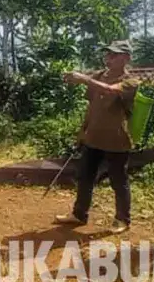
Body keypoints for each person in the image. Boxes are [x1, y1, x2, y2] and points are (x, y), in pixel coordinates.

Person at [54, 40, 139, 234]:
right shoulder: (99, 76)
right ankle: (79, 214)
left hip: (116, 139)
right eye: (107, 54)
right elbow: (92, 106)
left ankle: (122, 219)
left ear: (126, 58)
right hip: (93, 137)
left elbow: (110, 90)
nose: (108, 58)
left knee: (118, 180)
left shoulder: (131, 82)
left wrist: (84, 79)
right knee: (85, 177)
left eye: (114, 55)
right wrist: (83, 130)